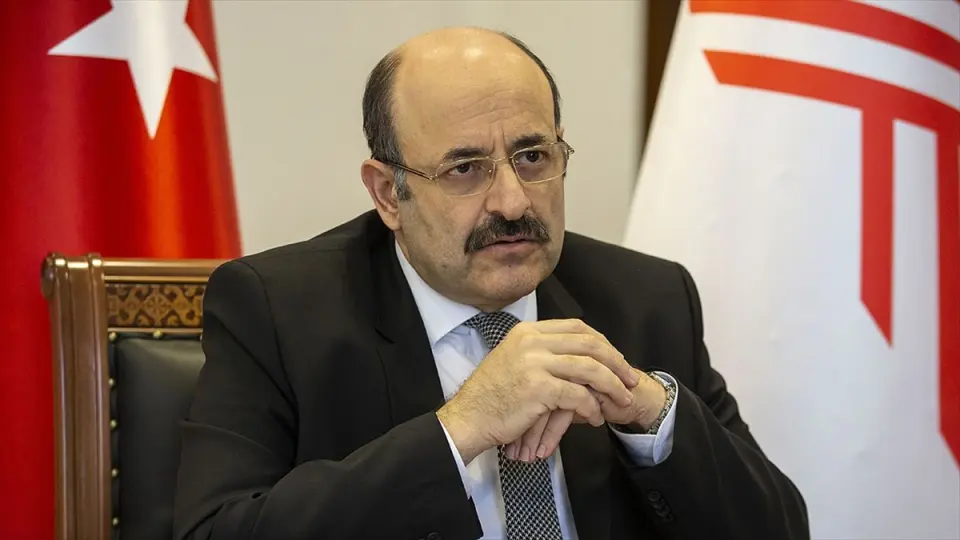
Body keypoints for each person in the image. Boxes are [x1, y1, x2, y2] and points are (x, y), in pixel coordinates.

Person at [172, 27, 809, 540]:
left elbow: (780, 529)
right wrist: (461, 428)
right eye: (465, 169)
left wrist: (649, 414)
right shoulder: (278, 310)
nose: (512, 201)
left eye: (532, 157)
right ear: (388, 193)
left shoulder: (646, 298)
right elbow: (217, 530)